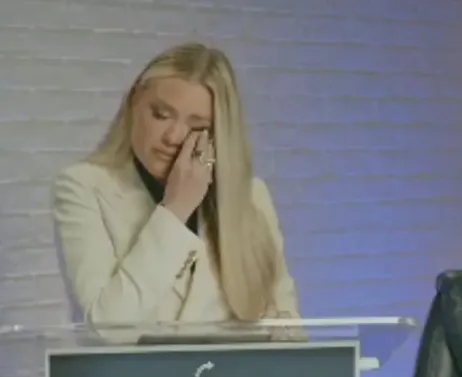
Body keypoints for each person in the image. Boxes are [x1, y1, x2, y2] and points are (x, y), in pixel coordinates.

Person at [52, 43, 299, 325]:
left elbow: (288, 325)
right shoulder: (82, 187)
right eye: (161, 115)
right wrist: (176, 208)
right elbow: (107, 327)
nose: (173, 137)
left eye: (198, 127)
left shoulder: (252, 195)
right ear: (134, 104)